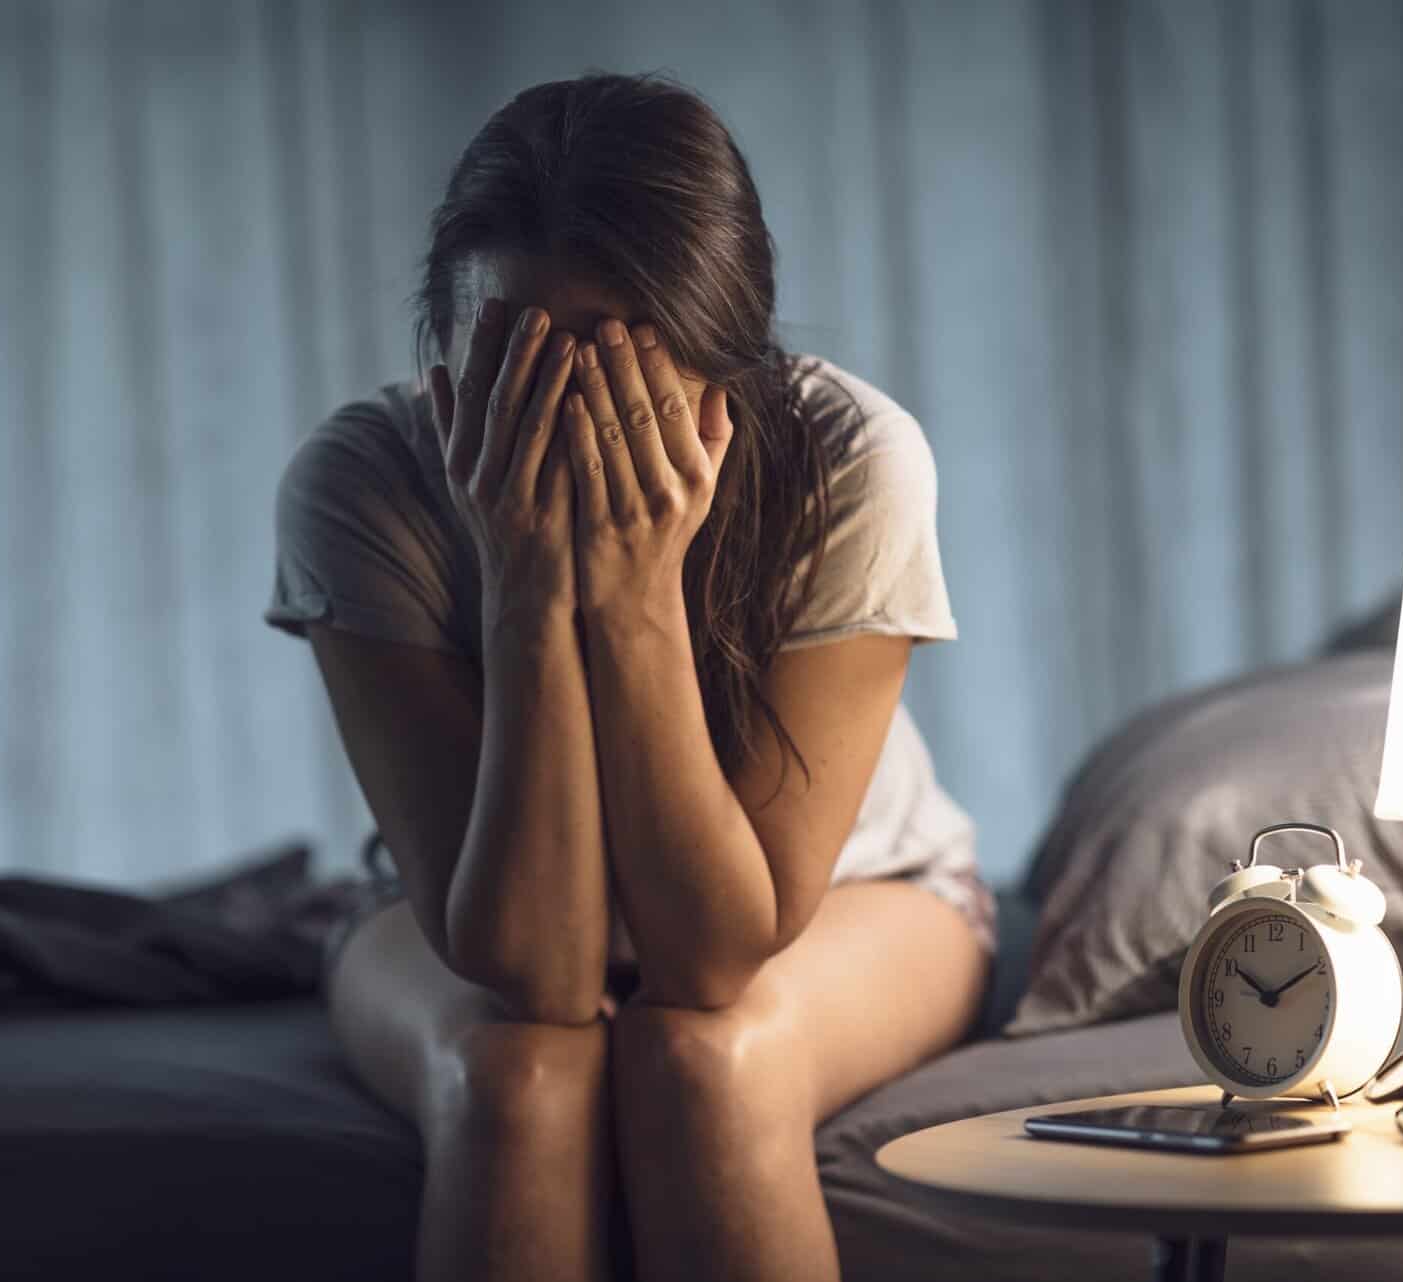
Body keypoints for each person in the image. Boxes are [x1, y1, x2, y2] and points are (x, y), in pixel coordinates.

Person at [265, 70, 995, 1282]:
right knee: (513, 1075)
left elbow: (709, 959)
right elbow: (538, 971)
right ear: (446, 352)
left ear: (729, 373)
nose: (559, 423)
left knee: (709, 1057)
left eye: (608, 374)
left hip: (869, 885)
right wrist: (525, 580)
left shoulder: (850, 460)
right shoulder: (366, 482)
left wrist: (636, 587)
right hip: (454, 907)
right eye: (513, 367)